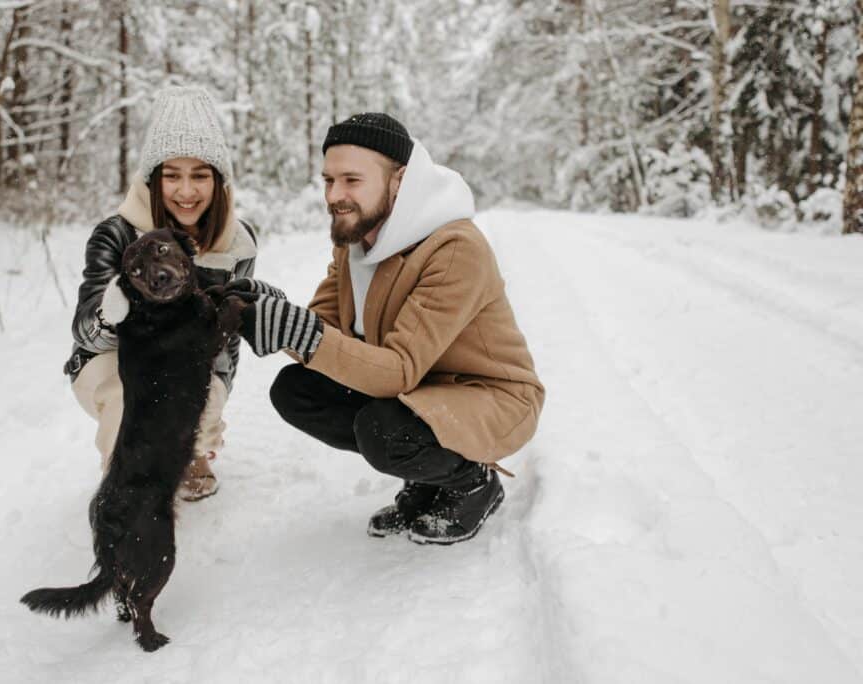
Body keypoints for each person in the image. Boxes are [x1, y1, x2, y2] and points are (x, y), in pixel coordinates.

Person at [225, 113, 545, 545]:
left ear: (400, 181)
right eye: (328, 180)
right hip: (420, 392)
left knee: (384, 430)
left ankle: (471, 482)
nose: (335, 195)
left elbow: (397, 370)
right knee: (298, 390)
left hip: (487, 396)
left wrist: (298, 331)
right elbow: (323, 330)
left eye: (352, 180)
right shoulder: (357, 243)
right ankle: (426, 476)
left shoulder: (455, 248)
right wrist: (270, 307)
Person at [64, 85, 269, 502]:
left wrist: (213, 402)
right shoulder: (117, 234)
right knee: (133, 397)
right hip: (113, 362)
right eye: (172, 175)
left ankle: (188, 452)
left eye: (199, 175)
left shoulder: (237, 244)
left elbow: (227, 343)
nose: (186, 191)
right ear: (153, 180)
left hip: (189, 361)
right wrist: (114, 308)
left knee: (196, 399)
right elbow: (85, 331)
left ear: (219, 180)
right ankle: (126, 479)